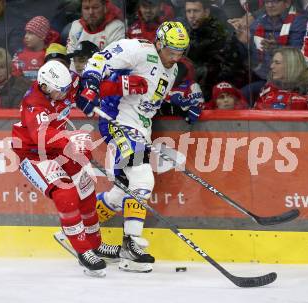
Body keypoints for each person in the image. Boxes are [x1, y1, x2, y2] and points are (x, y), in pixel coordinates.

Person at [75, 21, 191, 273]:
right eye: (171, 49)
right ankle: (132, 245)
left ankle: (78, 230)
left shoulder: (171, 71)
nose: (176, 56)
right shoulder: (139, 50)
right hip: (116, 121)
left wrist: (175, 104)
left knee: (123, 192)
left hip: (139, 131)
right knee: (142, 179)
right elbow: (101, 58)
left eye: (181, 51)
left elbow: (148, 104)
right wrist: (92, 82)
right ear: (159, 43)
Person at [11, 60, 122, 277]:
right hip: (33, 155)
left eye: (66, 89)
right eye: (59, 91)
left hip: (58, 148)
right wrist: (73, 140)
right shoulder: (34, 103)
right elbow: (40, 136)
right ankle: (82, 250)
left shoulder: (66, 84)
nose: (65, 93)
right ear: (44, 86)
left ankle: (95, 244)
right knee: (66, 193)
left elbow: (93, 89)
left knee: (87, 188)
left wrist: (121, 86)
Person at [11, 16, 60, 82]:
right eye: (26, 32)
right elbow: (14, 75)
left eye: (30, 33)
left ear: (42, 36)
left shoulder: (50, 55)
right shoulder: (20, 54)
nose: (26, 36)